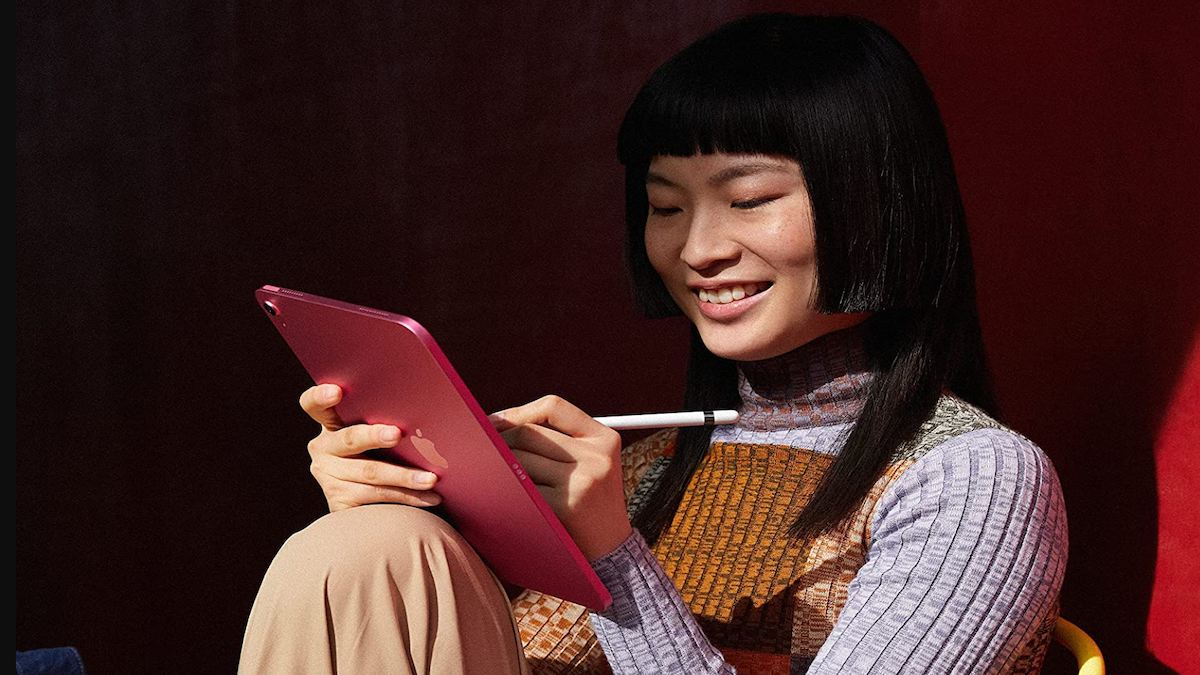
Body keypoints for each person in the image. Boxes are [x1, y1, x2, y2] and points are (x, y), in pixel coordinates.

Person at [239, 13, 1067, 675]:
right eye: (666, 206)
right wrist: (392, 492)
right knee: (365, 548)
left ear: (879, 204)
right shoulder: (640, 465)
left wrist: (617, 557)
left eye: (746, 199)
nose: (697, 248)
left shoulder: (974, 477)